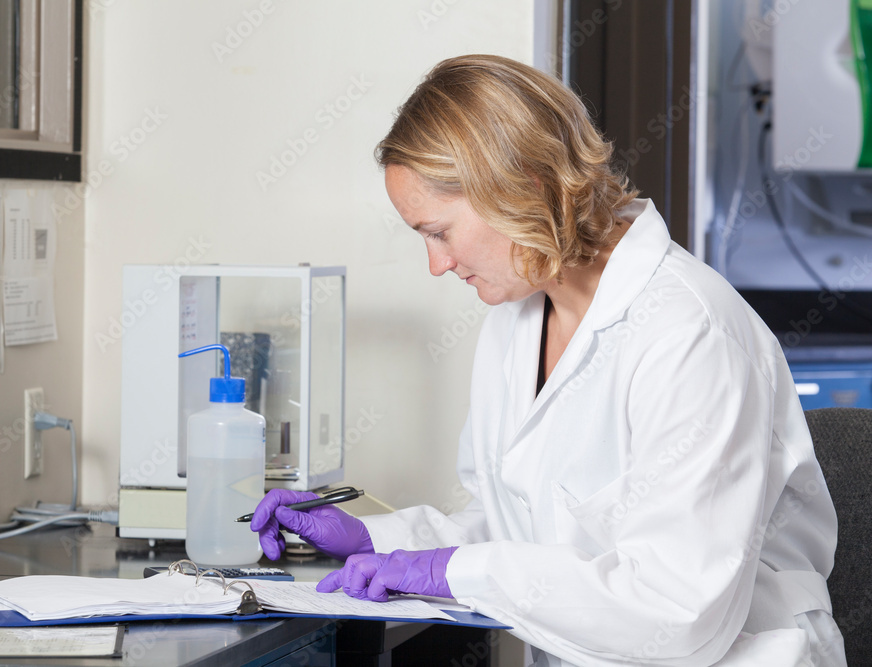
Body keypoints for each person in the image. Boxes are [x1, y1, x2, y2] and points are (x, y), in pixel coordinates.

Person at [250, 54, 845, 666]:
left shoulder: (690, 331)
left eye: (439, 232)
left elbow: (677, 611)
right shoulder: (515, 319)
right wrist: (376, 539)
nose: (437, 264)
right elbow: (516, 527)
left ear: (521, 186)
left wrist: (450, 571)